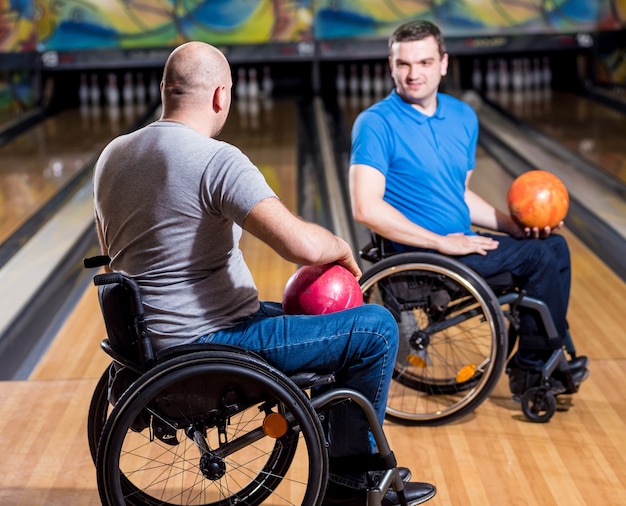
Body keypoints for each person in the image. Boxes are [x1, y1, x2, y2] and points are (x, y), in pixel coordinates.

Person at [93, 41, 436, 505]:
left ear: (164, 91)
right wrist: (338, 246)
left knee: (323, 328)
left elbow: (110, 253)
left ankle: (345, 454)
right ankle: (353, 488)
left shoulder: (112, 156)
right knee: (375, 328)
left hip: (147, 350)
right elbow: (299, 245)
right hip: (211, 346)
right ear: (221, 96)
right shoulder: (216, 160)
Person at [349, 20, 589, 401]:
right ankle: (531, 371)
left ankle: (545, 357)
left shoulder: (463, 117)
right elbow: (366, 208)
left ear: (443, 63)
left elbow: (459, 195)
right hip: (420, 257)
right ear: (391, 66)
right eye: (404, 64)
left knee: (552, 246)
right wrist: (442, 244)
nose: (414, 74)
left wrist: (515, 226)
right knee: (540, 260)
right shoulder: (376, 124)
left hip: (460, 246)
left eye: (425, 63)